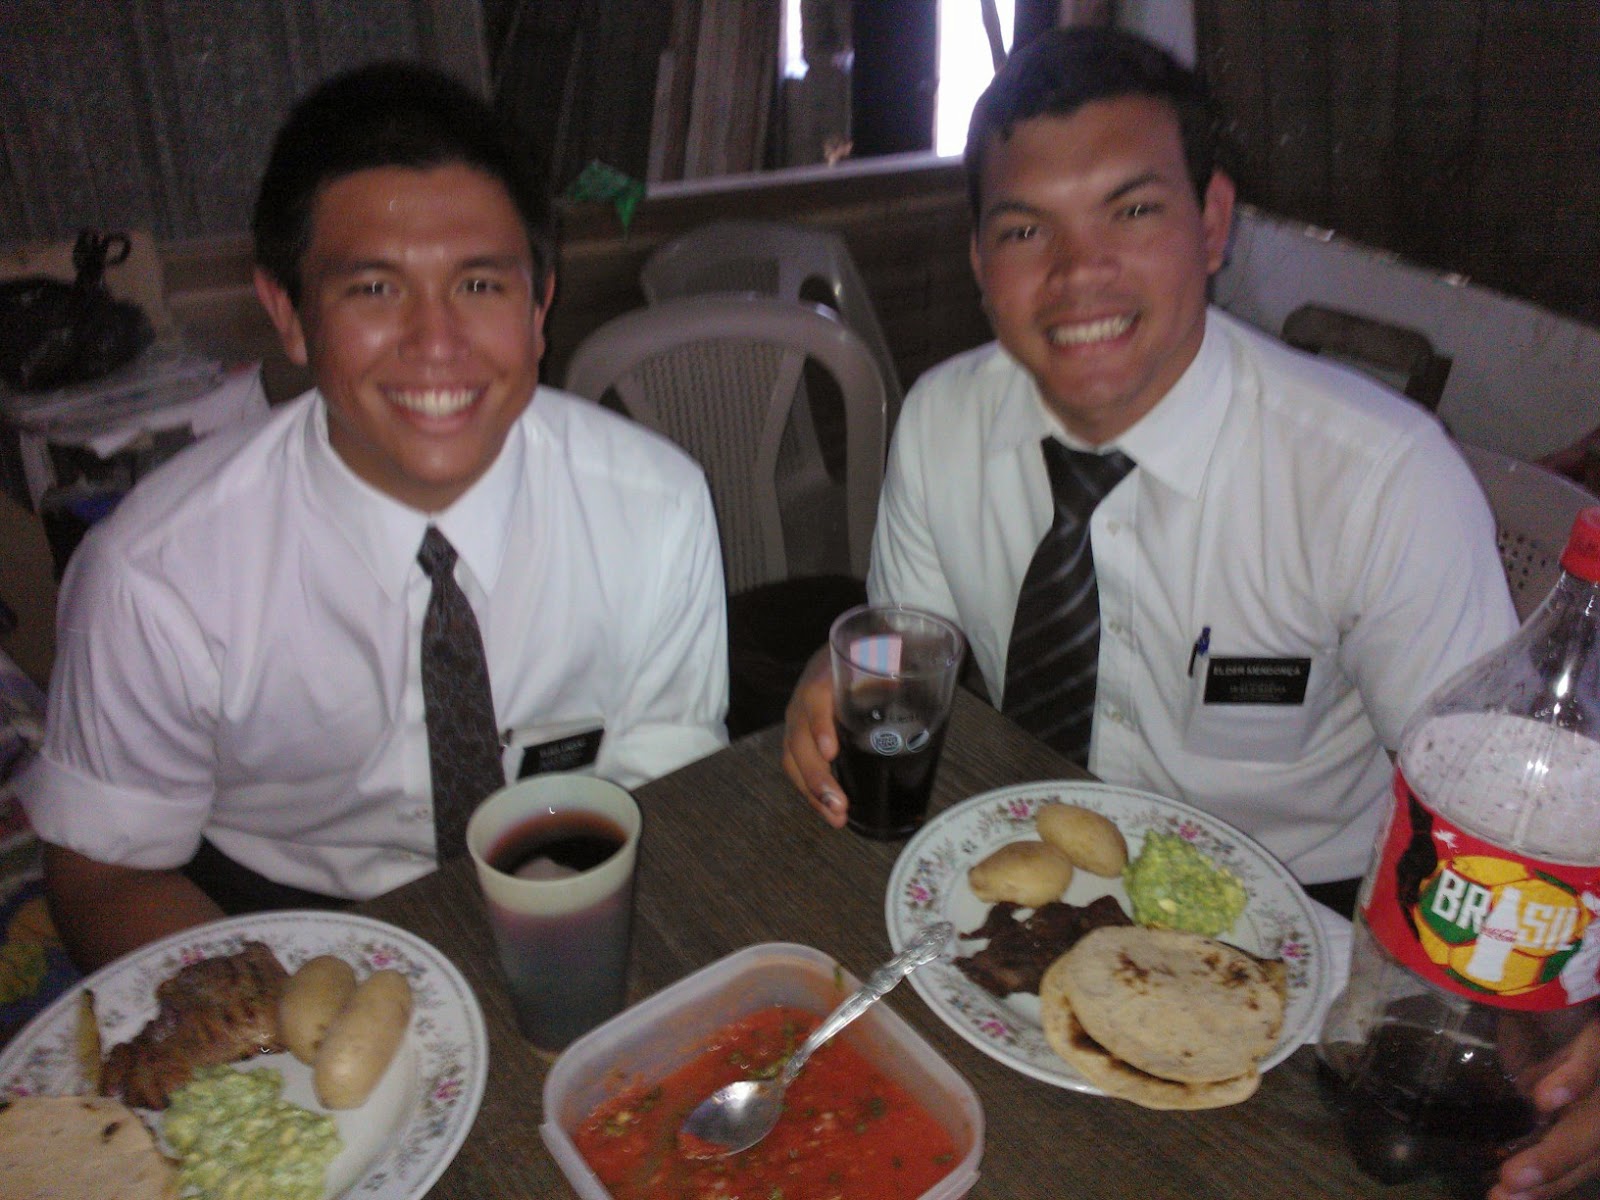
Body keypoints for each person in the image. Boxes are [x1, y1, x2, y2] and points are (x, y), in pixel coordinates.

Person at [782, 28, 1600, 1198]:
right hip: (1018, 941)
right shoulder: (938, 421)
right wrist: (840, 682)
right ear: (978, 260)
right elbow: (909, 654)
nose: (1078, 272)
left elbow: (1513, 818)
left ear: (1212, 223)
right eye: (1025, 230)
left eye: (1131, 211)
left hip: (1303, 976)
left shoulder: (1377, 479)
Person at [18, 62, 728, 972]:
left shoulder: (658, 508)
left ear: (539, 304)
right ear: (288, 313)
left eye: (480, 286)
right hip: (270, 923)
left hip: (565, 882)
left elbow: (672, 796)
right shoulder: (156, 575)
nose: (436, 344)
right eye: (374, 290)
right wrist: (277, 1026)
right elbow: (104, 873)